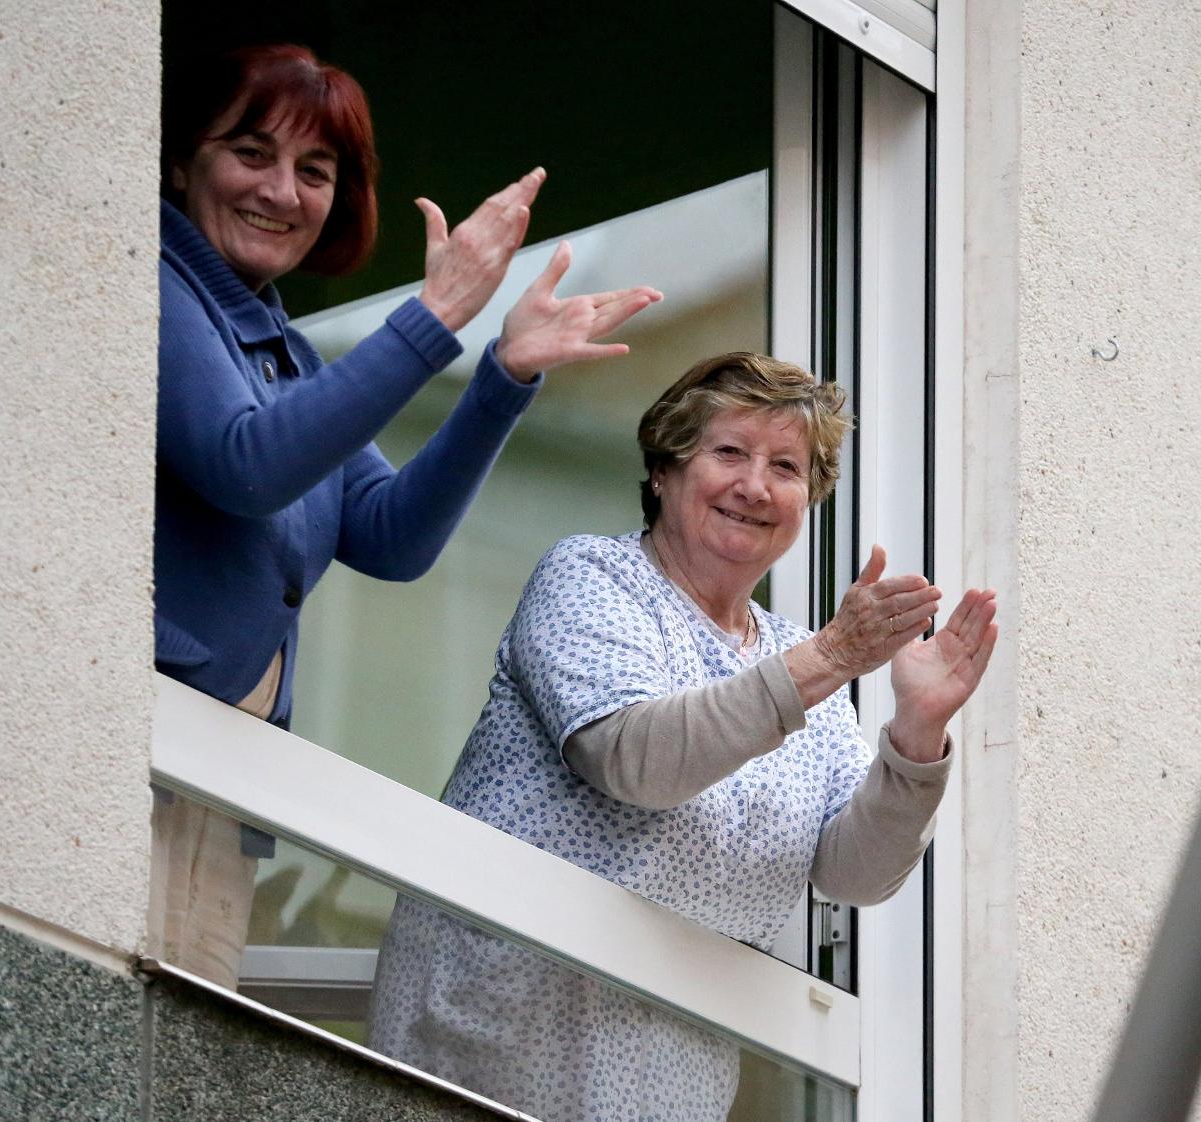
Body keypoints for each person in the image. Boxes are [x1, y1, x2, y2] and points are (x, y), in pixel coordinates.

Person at [368, 352, 997, 1122]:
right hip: (497, 1033)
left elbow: (854, 874)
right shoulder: (593, 577)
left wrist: (916, 735)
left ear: (808, 500)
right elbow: (634, 761)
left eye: (786, 467)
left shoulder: (798, 661)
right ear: (664, 471)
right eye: (728, 452)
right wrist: (832, 658)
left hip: (669, 1070)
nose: (755, 486)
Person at [149, 43, 662, 988]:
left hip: (222, 785)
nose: (283, 191)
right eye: (250, 153)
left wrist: (503, 379)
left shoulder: (284, 353)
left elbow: (388, 537)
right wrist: (432, 318)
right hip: (132, 761)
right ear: (184, 162)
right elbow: (246, 465)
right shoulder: (154, 286)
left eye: (316, 171)